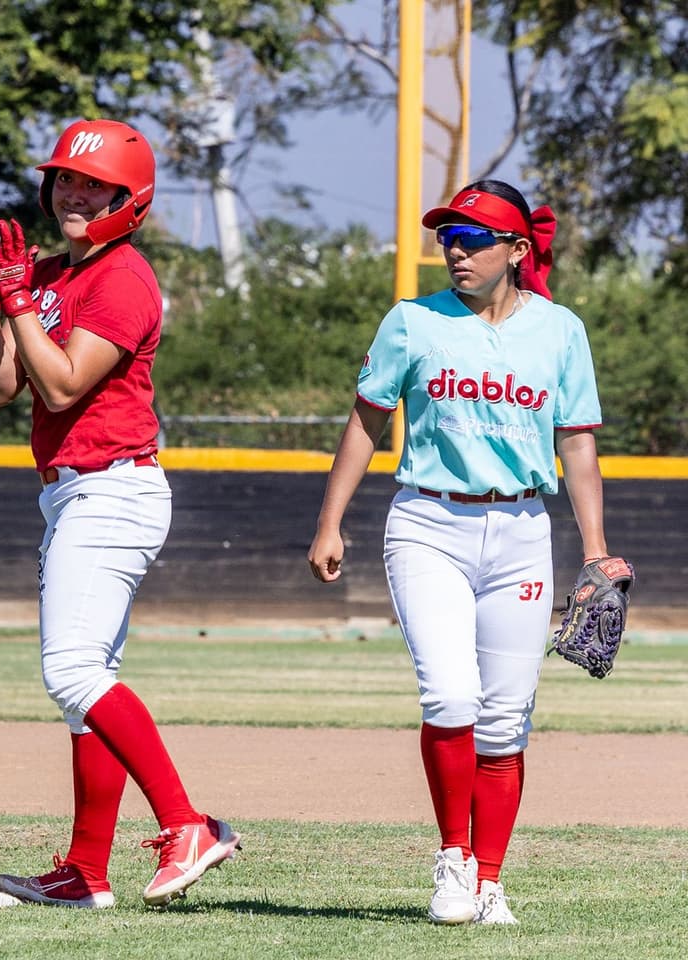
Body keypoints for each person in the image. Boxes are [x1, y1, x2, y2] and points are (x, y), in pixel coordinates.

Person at [0, 118, 240, 909]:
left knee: (70, 671)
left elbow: (65, 384)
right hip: (73, 490)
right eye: (65, 179)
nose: (74, 192)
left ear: (127, 198)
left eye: (92, 183)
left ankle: (186, 824)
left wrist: (16, 300)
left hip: (114, 487)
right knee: (83, 685)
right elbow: (0, 387)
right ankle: (85, 871)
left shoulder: (124, 277)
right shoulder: (43, 273)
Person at [307, 180, 614, 926]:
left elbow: (576, 443)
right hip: (428, 524)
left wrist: (598, 553)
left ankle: (490, 881)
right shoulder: (414, 321)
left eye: (475, 238)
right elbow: (367, 421)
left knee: (506, 719)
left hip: (521, 531)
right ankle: (452, 858)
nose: (456, 249)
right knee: (451, 696)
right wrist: (331, 521)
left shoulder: (560, 330)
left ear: (517, 250)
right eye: (450, 236)